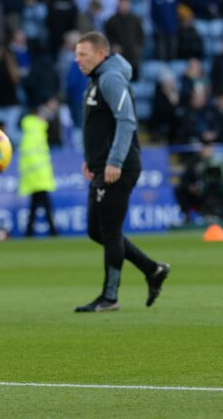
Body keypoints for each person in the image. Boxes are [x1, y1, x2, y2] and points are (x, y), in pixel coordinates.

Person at [73, 31, 169, 312]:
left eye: (83, 54)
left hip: (120, 166)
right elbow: (99, 126)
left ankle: (110, 297)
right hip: (103, 165)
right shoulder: (98, 79)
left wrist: (114, 161)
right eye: (77, 54)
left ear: (101, 54)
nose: (78, 60)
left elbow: (126, 121)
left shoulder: (111, 78)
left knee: (110, 231)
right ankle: (152, 269)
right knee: (96, 230)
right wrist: (91, 160)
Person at [18, 97, 58, 237]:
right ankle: (52, 231)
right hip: (39, 177)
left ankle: (30, 232)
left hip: (33, 177)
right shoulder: (36, 130)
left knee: (35, 206)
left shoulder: (31, 129)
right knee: (45, 206)